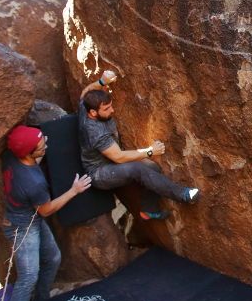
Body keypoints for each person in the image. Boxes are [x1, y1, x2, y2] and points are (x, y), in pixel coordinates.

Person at [2, 125, 92, 301]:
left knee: (52, 258)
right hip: (22, 226)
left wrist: (38, 139)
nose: (46, 147)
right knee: (28, 276)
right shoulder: (33, 184)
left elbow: (33, 159)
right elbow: (46, 210)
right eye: (41, 146)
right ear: (28, 153)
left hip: (26, 216)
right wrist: (74, 190)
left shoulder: (12, 157)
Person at [78, 70, 199, 220]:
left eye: (111, 106)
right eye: (107, 109)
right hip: (99, 173)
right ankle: (183, 194)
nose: (112, 110)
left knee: (152, 168)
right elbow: (119, 157)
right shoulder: (94, 131)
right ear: (93, 113)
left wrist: (102, 82)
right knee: (138, 168)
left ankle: (148, 209)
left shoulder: (85, 106)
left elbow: (87, 91)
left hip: (110, 161)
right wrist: (150, 151)